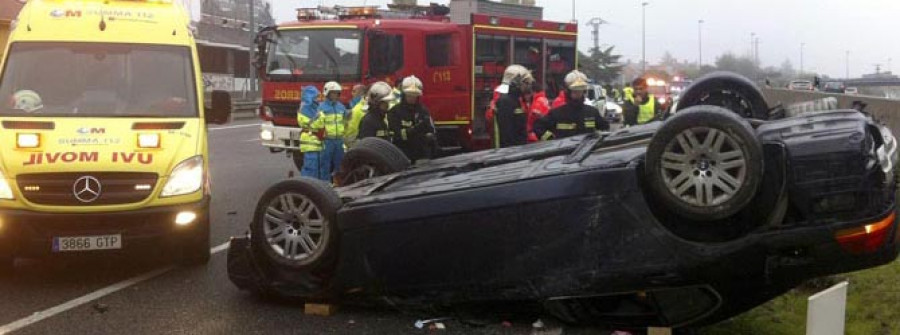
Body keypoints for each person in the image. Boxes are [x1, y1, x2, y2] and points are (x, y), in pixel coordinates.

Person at [533, 70, 610, 141]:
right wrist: (551, 140)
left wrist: (597, 139)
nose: (578, 94)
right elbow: (538, 127)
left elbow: (605, 128)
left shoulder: (592, 112)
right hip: (563, 153)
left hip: (585, 152)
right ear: (568, 91)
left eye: (580, 91)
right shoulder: (557, 113)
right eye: (575, 91)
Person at [389, 76, 437, 163]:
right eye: (410, 95)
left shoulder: (423, 110)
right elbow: (396, 136)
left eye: (415, 96)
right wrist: (415, 130)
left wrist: (429, 135)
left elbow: (432, 131)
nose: (412, 98)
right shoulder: (394, 112)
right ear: (404, 94)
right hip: (404, 155)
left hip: (422, 155)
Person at [310, 81, 348, 181]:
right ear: (327, 93)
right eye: (333, 93)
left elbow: (345, 121)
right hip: (327, 141)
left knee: (340, 165)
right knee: (325, 165)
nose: (335, 95)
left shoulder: (341, 106)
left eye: (337, 93)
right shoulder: (321, 107)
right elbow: (314, 124)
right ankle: (325, 185)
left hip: (339, 141)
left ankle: (339, 184)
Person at [494, 65, 533, 148]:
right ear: (515, 82)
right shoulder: (506, 101)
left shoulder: (514, 99)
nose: (528, 86)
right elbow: (506, 134)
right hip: (511, 152)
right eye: (525, 82)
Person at [296, 86, 325, 180]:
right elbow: (317, 124)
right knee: (311, 169)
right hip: (310, 142)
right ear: (310, 97)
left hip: (317, 142)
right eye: (315, 97)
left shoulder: (315, 107)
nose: (318, 99)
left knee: (318, 168)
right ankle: (308, 188)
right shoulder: (306, 109)